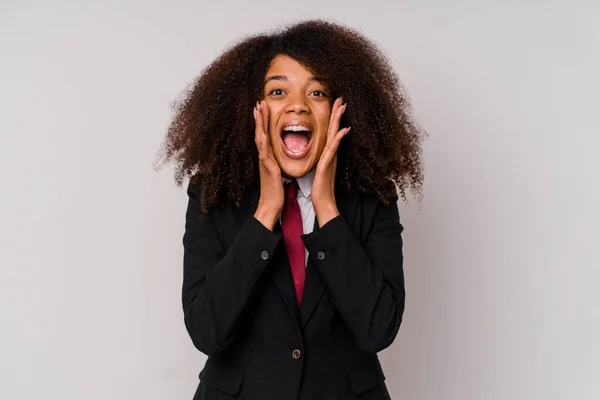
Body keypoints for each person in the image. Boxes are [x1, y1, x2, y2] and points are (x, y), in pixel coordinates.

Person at [159, 19, 424, 400]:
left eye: (317, 92)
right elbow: (206, 331)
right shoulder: (212, 195)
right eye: (278, 91)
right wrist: (266, 210)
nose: (297, 104)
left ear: (340, 109)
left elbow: (377, 330)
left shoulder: (374, 197)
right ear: (253, 109)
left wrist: (327, 209)